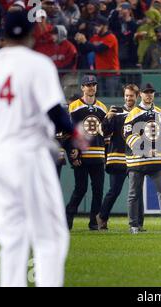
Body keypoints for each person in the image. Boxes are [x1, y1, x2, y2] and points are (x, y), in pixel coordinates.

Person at [0, 10, 88, 287]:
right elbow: (54, 111)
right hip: (27, 153)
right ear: (30, 34)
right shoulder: (37, 63)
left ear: (2, 35)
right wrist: (74, 133)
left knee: (11, 237)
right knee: (50, 235)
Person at [123, 83, 161, 234]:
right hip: (137, 160)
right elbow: (128, 135)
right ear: (140, 95)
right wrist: (144, 149)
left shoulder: (160, 112)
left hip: (157, 160)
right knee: (134, 193)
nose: (149, 95)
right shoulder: (133, 113)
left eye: (151, 92)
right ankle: (133, 225)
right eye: (146, 92)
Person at [96, 84, 145, 231]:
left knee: (137, 191)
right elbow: (103, 132)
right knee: (114, 191)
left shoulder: (141, 113)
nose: (128, 98)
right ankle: (102, 217)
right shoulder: (116, 112)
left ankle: (138, 223)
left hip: (135, 158)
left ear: (137, 97)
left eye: (131, 96)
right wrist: (107, 118)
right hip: (117, 158)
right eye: (126, 95)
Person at [66, 74, 108, 231]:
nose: (91, 87)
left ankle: (94, 222)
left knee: (98, 191)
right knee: (80, 189)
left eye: (93, 85)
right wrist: (72, 154)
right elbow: (68, 132)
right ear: (82, 87)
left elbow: (105, 134)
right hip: (82, 156)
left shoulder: (103, 108)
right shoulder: (74, 106)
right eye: (88, 85)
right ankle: (67, 220)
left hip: (97, 155)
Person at [75, 16, 120, 96]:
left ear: (105, 26)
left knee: (111, 98)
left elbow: (99, 49)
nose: (96, 27)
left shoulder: (111, 37)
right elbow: (85, 50)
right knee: (100, 98)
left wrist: (85, 41)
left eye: (98, 25)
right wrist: (80, 42)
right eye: (95, 25)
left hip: (111, 73)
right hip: (99, 72)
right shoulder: (95, 37)